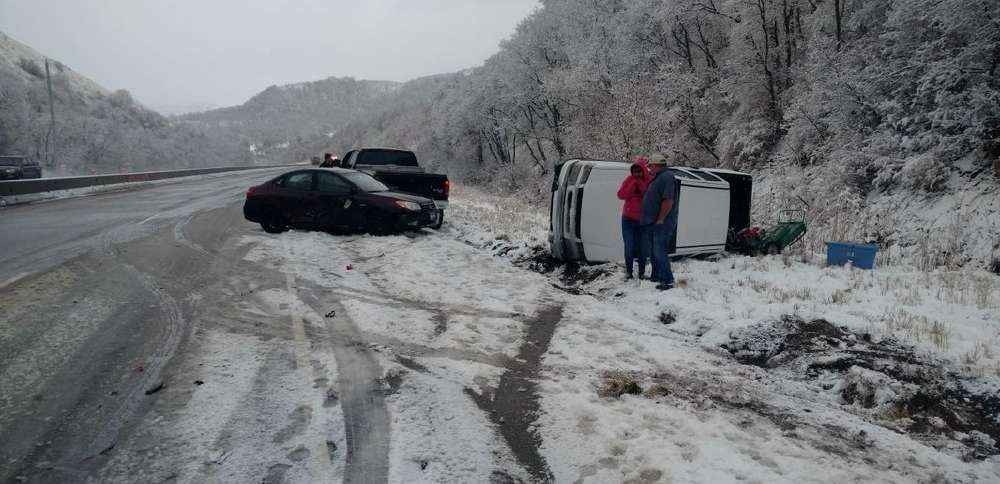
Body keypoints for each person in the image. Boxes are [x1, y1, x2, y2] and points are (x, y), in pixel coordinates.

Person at [640, 153, 679, 291]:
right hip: (653, 221)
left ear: (656, 165)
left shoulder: (667, 177)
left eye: (650, 165)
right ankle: (655, 276)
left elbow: (668, 201)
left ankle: (668, 280)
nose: (649, 168)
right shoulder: (657, 177)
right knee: (653, 251)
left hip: (661, 223)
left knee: (659, 251)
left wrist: (661, 219)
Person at [617, 159, 651, 279]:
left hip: (644, 220)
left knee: (643, 248)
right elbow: (621, 195)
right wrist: (633, 184)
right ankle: (629, 272)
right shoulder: (629, 180)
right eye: (634, 171)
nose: (636, 174)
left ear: (644, 170)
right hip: (628, 220)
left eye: (639, 171)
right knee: (629, 246)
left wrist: (640, 184)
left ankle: (641, 273)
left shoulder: (649, 180)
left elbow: (648, 196)